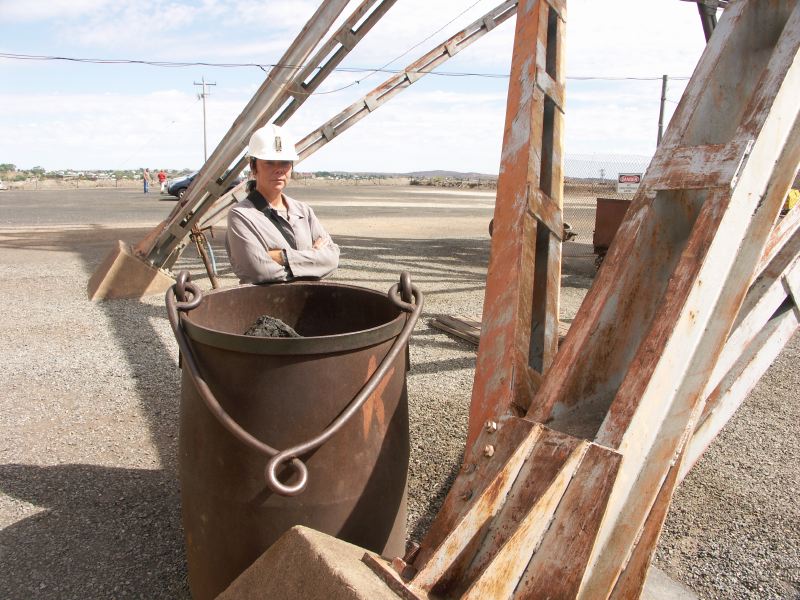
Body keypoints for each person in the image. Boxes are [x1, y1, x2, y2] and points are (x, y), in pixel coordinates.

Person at [226, 124, 339, 284]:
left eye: (285, 162)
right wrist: (313, 259)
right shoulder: (242, 215)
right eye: (270, 162)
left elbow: (332, 258)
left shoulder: (303, 211)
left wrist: (283, 257)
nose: (279, 170)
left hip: (306, 304)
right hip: (266, 306)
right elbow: (259, 272)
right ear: (253, 166)